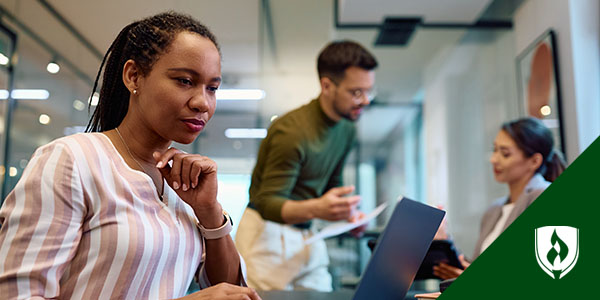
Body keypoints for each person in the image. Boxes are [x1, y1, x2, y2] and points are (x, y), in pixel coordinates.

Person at [0, 12, 260, 300]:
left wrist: (209, 212)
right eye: (185, 80)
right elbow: (17, 295)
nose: (203, 102)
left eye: (212, 88)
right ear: (133, 76)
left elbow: (231, 289)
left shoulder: (181, 186)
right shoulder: (70, 161)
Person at [235, 40, 378, 291]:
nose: (365, 100)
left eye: (369, 91)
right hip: (267, 236)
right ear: (326, 86)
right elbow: (268, 203)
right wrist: (319, 208)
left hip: (308, 233)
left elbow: (332, 186)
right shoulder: (292, 132)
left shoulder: (347, 129)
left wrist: (348, 215)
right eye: (356, 92)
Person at [433, 117, 566, 280]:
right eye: (494, 150)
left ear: (534, 161)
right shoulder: (493, 210)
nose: (493, 159)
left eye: (505, 153)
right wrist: (443, 240)